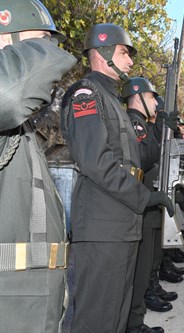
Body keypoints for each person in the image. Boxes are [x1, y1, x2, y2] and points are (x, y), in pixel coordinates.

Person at [61, 23, 172, 333]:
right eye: (124, 53)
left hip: (120, 220)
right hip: (103, 223)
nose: (130, 61)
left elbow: (133, 158)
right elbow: (97, 162)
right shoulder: (87, 94)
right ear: (103, 52)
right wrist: (143, 197)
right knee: (97, 319)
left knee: (116, 316)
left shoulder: (111, 100)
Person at [0, 2, 76, 331]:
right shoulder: (9, 104)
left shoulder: (18, 125)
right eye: (40, 42)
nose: (48, 52)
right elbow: (9, 94)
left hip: (25, 305)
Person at [122, 77, 177, 333]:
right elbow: (144, 158)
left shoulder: (142, 123)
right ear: (138, 95)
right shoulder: (135, 122)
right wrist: (159, 130)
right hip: (141, 199)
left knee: (150, 258)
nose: (156, 103)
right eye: (153, 97)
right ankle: (134, 323)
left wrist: (161, 129)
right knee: (141, 266)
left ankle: (138, 317)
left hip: (149, 197)